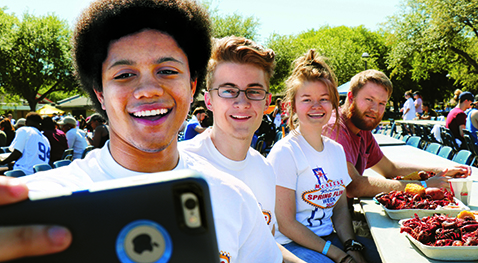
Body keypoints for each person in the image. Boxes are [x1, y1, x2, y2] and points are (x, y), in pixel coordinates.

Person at [0, 0, 282, 262]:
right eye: (124, 75)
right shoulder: (43, 209)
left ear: (193, 86)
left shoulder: (234, 197)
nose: (148, 90)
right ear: (100, 94)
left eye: (167, 71)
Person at [180, 36, 302, 263]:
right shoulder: (177, 169)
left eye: (254, 91)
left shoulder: (264, 169)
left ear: (267, 103)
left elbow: (265, 244)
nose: (242, 102)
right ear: (208, 100)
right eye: (228, 90)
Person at [267, 50, 380, 263]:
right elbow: (286, 224)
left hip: (331, 239)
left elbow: (339, 209)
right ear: (291, 106)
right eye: (307, 99)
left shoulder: (336, 150)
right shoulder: (285, 152)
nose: (316, 106)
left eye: (324, 99)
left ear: (334, 103)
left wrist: (351, 246)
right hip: (293, 245)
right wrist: (338, 255)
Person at [322, 70, 470, 200]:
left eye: (382, 103)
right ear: (351, 97)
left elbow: (390, 169)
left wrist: (442, 171)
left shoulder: (362, 129)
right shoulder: (335, 128)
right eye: (369, 100)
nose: (375, 109)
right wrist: (423, 185)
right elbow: (353, 186)